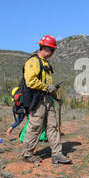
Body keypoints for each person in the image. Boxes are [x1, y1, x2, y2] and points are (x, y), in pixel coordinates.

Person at [21, 35, 71, 165]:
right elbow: (30, 81)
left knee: (53, 126)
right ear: (46, 48)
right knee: (35, 127)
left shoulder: (46, 63)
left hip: (48, 99)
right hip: (38, 100)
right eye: (52, 50)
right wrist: (46, 87)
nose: (53, 53)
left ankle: (57, 154)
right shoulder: (33, 61)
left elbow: (49, 85)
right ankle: (27, 154)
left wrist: (56, 97)